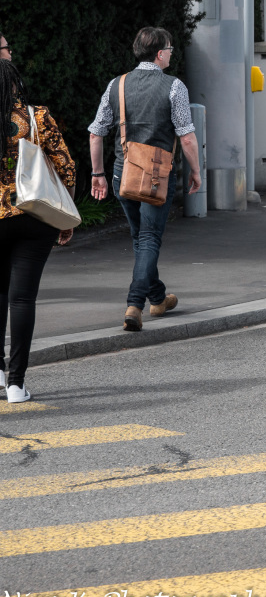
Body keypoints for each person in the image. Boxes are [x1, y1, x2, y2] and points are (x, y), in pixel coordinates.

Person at [87, 27, 202, 333]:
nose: (171, 54)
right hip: (156, 177)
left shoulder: (117, 84)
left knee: (141, 239)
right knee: (149, 239)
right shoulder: (174, 87)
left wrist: (97, 174)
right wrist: (196, 171)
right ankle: (135, 304)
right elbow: (187, 138)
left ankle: (159, 297)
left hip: (121, 174)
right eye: (170, 49)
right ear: (160, 53)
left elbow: (96, 132)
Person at [1, 45, 76, 404]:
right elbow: (66, 167)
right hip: (34, 217)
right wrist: (64, 215)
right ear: (15, 84)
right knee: (23, 297)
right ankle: (16, 384)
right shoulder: (36, 117)